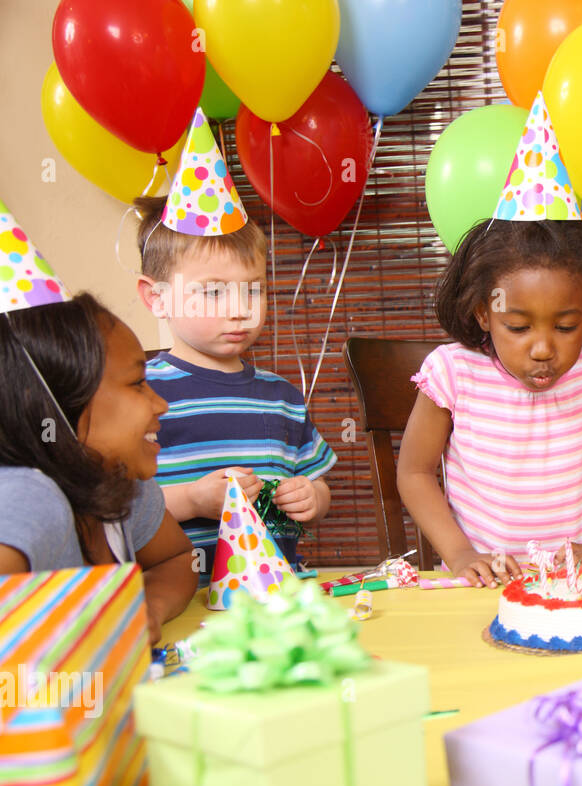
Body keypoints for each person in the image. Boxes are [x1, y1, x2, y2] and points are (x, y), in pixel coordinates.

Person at [397, 217, 582, 587]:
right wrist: (460, 554)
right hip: (483, 587)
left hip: (575, 584)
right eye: (518, 327)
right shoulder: (454, 372)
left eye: (564, 327)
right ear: (484, 312)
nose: (543, 349)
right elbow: (414, 473)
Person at [134, 187, 335, 577]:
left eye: (254, 289)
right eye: (213, 291)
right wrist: (192, 500)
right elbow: (115, 511)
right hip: (180, 600)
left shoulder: (282, 397)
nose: (241, 309)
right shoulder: (141, 394)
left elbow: (317, 484)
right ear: (157, 297)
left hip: (277, 594)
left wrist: (312, 498)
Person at [0, 293, 197, 644]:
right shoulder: (24, 499)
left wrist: (148, 608)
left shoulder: (120, 481)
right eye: (137, 383)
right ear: (58, 404)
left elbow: (179, 558)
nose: (161, 404)